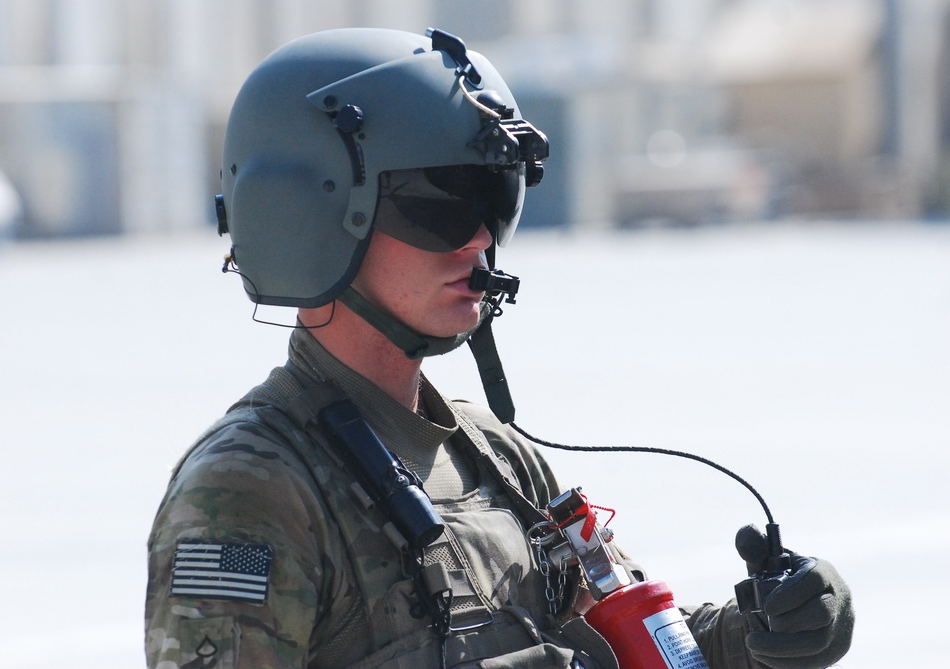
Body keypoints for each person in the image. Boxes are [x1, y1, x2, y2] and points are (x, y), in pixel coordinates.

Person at [145, 27, 854, 669]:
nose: (479, 240)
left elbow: (632, 634)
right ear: (314, 217)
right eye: (441, 203)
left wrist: (765, 630)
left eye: (494, 203)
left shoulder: (494, 455)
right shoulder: (253, 488)